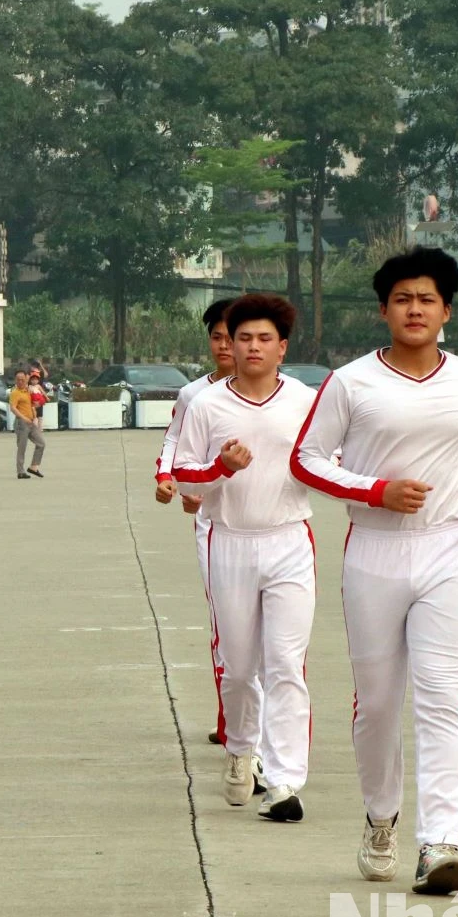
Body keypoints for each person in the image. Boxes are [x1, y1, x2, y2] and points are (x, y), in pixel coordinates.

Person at [291, 247, 458, 896]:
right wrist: (374, 491)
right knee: (379, 706)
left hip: (447, 548)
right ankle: (380, 817)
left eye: (426, 299)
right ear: (384, 310)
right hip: (373, 551)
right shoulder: (352, 381)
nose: (414, 309)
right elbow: (307, 460)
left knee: (443, 697)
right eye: (402, 299)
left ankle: (439, 843)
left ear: (446, 309)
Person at [169, 295, 316, 822]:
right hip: (228, 540)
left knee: (285, 664)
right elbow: (185, 477)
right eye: (242, 338)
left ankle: (283, 781)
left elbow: (327, 462)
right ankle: (240, 751)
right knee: (238, 667)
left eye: (263, 338)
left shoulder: (305, 400)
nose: (251, 347)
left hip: (289, 540)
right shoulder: (207, 405)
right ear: (230, 344)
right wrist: (221, 468)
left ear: (282, 347)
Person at [154, 298, 241, 748]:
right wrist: (170, 481)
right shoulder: (194, 395)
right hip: (214, 522)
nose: (226, 345)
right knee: (226, 624)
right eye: (218, 337)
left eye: (235, 336)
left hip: (275, 529)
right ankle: (232, 723)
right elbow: (174, 443)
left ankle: (267, 736)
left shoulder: (285, 394)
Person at [10, 371, 45, 479]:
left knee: (41, 443)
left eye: (22, 379)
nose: (20, 381)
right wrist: (23, 417)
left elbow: (32, 404)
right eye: (18, 379)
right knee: (22, 447)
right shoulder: (15, 392)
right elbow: (13, 408)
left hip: (31, 422)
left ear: (26, 379)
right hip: (22, 423)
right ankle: (20, 471)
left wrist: (36, 408)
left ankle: (33, 467)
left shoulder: (28, 391)